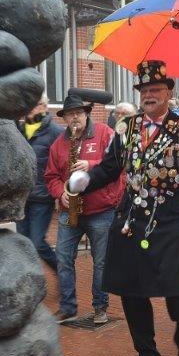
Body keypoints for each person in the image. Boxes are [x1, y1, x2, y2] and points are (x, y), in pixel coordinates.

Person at [67, 60, 179, 356]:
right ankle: (147, 353)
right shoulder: (127, 127)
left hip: (170, 222)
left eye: (155, 90)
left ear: (168, 93)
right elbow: (110, 168)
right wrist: (87, 180)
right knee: (131, 288)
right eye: (144, 90)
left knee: (175, 288)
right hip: (131, 219)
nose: (149, 95)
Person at [44, 92, 123, 323]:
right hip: (70, 210)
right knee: (63, 258)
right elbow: (50, 176)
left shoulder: (104, 133)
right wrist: (60, 193)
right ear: (64, 118)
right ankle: (68, 307)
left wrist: (92, 164)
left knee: (101, 262)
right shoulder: (59, 144)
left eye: (78, 113)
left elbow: (118, 162)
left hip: (101, 210)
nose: (75, 118)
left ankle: (100, 307)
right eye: (70, 115)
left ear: (86, 114)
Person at [17, 92, 64, 272]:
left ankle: (62, 272)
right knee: (23, 243)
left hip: (42, 197)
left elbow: (61, 164)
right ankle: (31, 280)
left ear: (44, 107)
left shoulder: (56, 132)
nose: (29, 107)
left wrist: (59, 192)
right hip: (23, 197)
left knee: (37, 243)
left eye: (34, 103)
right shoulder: (19, 130)